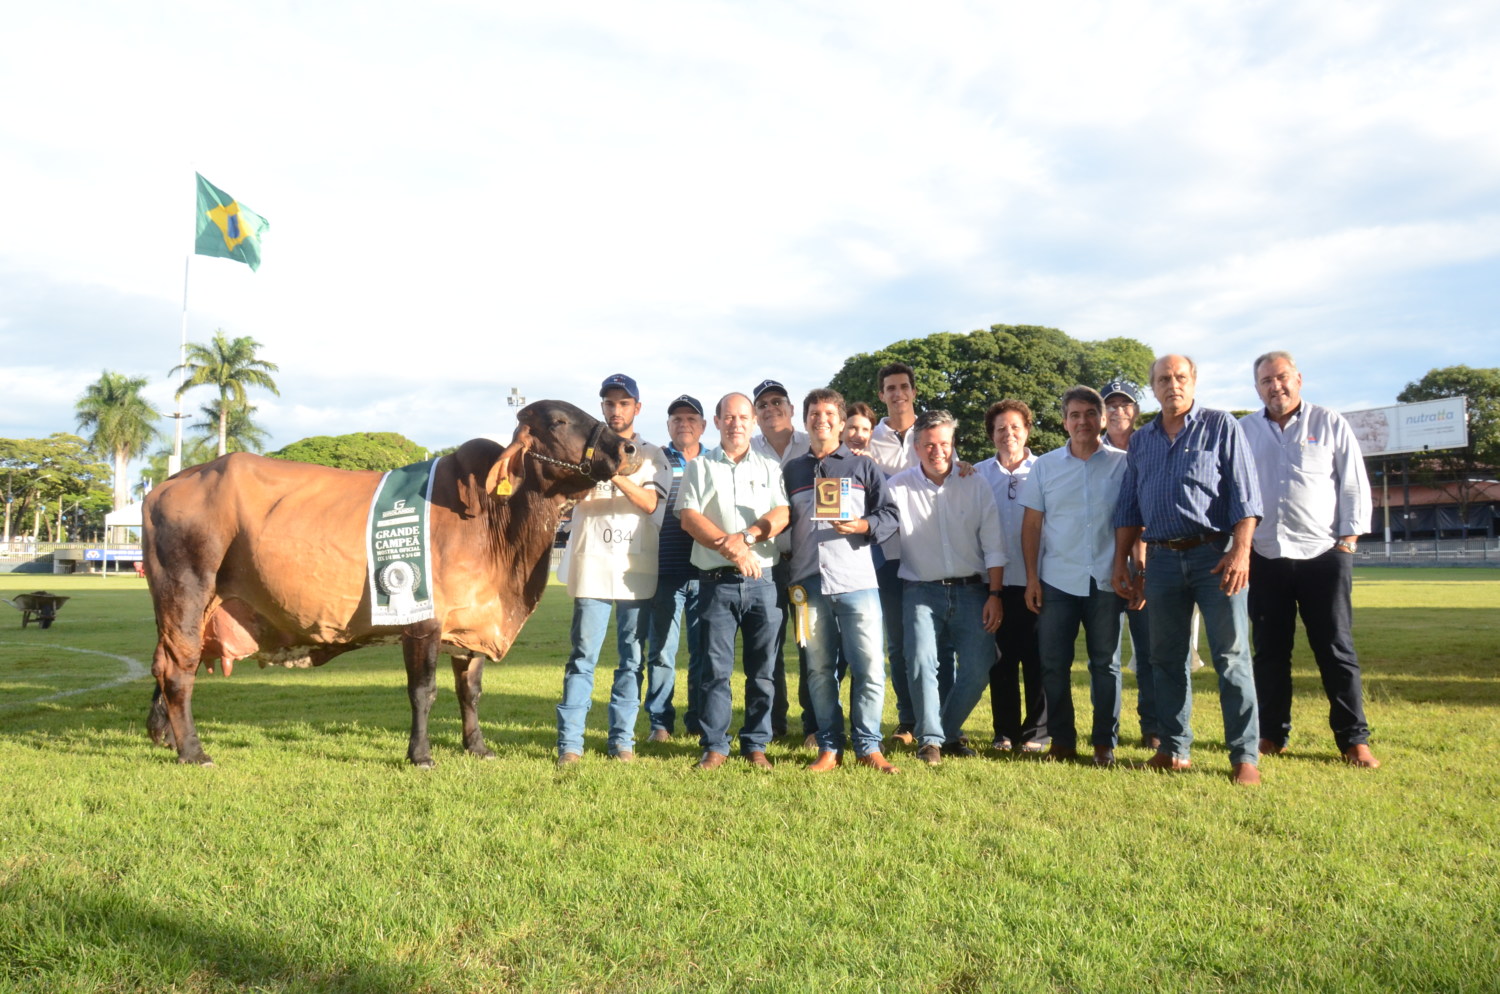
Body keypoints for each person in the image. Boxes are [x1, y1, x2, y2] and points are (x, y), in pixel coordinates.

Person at [1112, 354, 1264, 784]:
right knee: (1165, 658)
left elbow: (1246, 496)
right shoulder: (1141, 441)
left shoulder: (1220, 426)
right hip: (1160, 559)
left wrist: (1241, 552)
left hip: (1215, 556)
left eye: (1180, 377)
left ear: (1194, 381)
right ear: (1153, 388)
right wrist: (1122, 561)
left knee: (1231, 657)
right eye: (1163, 379)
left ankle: (1244, 756)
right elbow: (1129, 507)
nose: (1172, 385)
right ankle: (1174, 749)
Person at [1241, 351, 1379, 768]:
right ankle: (1271, 734)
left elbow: (1354, 483)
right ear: (1257, 387)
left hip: (1323, 555)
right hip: (1264, 555)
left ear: (1298, 379)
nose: (1275, 386)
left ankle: (1354, 740)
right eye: (1265, 381)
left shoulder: (1329, 422)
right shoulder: (1244, 429)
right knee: (1268, 652)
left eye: (1282, 378)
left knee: (1336, 650)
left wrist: (1348, 541)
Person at [783, 388, 900, 773]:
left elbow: (890, 515)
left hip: (857, 581)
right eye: (814, 414)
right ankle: (829, 747)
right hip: (808, 583)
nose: (822, 420)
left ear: (841, 419)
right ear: (806, 421)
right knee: (818, 670)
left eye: (830, 413)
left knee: (868, 667)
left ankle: (869, 746)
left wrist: (863, 524)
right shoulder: (792, 470)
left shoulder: (864, 467)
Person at [555, 373, 668, 767]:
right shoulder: (583, 453)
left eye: (624, 403)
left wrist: (614, 472)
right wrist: (590, 472)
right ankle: (570, 745)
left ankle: (622, 742)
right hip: (590, 568)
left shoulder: (653, 454)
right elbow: (567, 500)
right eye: (609, 402)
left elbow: (651, 504)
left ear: (637, 407)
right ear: (601, 407)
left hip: (634, 571)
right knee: (582, 656)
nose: (616, 409)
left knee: (631, 660)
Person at [677, 393, 790, 770]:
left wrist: (748, 538)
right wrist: (733, 552)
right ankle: (714, 745)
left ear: (753, 421)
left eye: (743, 417)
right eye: (729, 417)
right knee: (715, 670)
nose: (736, 423)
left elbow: (782, 512)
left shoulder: (769, 464)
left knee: (764, 670)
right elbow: (689, 517)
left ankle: (756, 743)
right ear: (717, 420)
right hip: (716, 583)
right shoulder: (700, 466)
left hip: (764, 582)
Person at [887, 410, 1005, 766]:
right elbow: (876, 521)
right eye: (929, 445)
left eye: (945, 444)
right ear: (917, 447)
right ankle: (931, 741)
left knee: (980, 662)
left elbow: (994, 542)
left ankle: (946, 732)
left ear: (953, 445)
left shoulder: (975, 481)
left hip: (973, 591)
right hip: (921, 591)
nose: (938, 451)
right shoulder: (897, 487)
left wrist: (995, 595)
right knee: (922, 661)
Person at [1021, 386, 1129, 766]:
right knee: (1053, 662)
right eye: (1074, 415)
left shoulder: (1124, 464)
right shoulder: (1045, 466)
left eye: (1089, 413)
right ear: (1064, 421)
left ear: (1102, 418)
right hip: (1057, 580)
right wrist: (1032, 578)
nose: (1082, 421)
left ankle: (1104, 743)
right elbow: (1032, 525)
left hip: (1107, 578)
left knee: (1106, 663)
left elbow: (1136, 523)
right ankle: (1062, 740)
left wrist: (1135, 567)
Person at [974, 399, 1048, 753]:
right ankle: (1004, 731)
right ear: (991, 435)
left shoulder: (1046, 469)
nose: (1009, 434)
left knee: (1036, 659)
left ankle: (1037, 733)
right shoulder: (976, 473)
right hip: (994, 584)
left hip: (1037, 579)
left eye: (1015, 427)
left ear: (1027, 430)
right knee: (1000, 661)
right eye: (1001, 428)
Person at [749, 379, 812, 743]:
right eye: (763, 405)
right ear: (756, 416)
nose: (770, 409)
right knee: (767, 647)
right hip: (767, 563)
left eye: (777, 402)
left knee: (809, 645)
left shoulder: (811, 443)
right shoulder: (750, 450)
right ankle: (773, 724)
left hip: (806, 562)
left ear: (790, 409)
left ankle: (813, 724)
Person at [1099, 376, 1160, 748]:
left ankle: (1152, 728)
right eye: (1111, 405)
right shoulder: (1091, 450)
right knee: (1105, 657)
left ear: (1136, 410)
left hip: (1145, 564)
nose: (1118, 411)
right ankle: (1107, 733)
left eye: (1125, 404)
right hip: (1103, 566)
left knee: (1151, 653)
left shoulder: (1151, 446)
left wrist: (1143, 566)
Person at [644, 394, 707, 742]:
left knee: (703, 651)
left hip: (706, 571)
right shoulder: (656, 459)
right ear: (668, 425)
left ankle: (697, 720)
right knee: (663, 652)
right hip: (665, 569)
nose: (684, 424)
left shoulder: (715, 460)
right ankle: (660, 723)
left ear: (703, 425)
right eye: (677, 420)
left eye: (690, 419)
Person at [865, 362, 923, 743]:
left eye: (904, 386)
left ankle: (940, 719)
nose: (898, 393)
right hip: (886, 554)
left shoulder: (933, 431)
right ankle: (908, 720)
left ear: (914, 391)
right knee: (900, 642)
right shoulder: (869, 440)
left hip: (930, 550)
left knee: (934, 642)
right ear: (882, 395)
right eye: (890, 388)